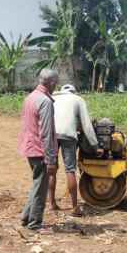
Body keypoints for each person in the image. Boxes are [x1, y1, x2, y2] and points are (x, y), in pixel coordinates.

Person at [17, 68, 58, 231]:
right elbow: (46, 133)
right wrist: (51, 159)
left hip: (29, 147)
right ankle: (35, 223)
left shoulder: (30, 97)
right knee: (41, 188)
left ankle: (26, 216)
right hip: (40, 150)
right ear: (52, 83)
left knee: (37, 184)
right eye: (56, 83)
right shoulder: (45, 102)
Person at [49, 83, 99, 216]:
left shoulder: (52, 97)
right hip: (68, 136)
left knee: (52, 169)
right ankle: (75, 207)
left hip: (52, 135)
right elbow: (87, 125)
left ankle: (52, 203)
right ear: (74, 91)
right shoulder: (78, 99)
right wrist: (95, 146)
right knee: (70, 170)